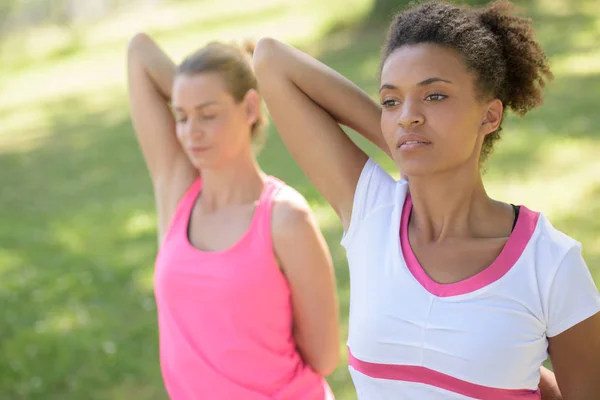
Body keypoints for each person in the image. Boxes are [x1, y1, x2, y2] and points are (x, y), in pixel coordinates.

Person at [252, 0, 600, 398]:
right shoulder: (372, 214)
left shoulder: (550, 265)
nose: (407, 115)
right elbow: (271, 59)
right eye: (391, 101)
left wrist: (415, 145)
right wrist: (409, 147)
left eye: (434, 96)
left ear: (488, 116)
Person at [126, 33, 339, 399]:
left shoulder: (286, 219)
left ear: (250, 108)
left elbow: (323, 357)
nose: (191, 133)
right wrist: (203, 88)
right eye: (181, 116)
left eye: (208, 115)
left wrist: (230, 77)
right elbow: (139, 51)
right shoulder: (177, 193)